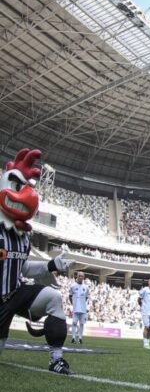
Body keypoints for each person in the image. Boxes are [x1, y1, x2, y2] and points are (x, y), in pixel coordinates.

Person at [0, 148, 76, 374]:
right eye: (17, 185)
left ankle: (56, 360)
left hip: (15, 292)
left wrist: (51, 265)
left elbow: (22, 267)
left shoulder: (22, 238)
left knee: (53, 298)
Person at [69, 272, 89, 344]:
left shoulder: (86, 287)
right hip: (75, 308)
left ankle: (80, 338)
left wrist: (82, 303)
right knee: (74, 323)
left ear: (84, 277)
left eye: (82, 276)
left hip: (83, 309)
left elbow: (86, 297)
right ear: (77, 277)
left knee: (82, 323)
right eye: (79, 276)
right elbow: (70, 296)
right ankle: (73, 338)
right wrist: (73, 304)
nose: (80, 277)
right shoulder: (72, 286)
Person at [138, 277, 150, 349]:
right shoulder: (145, 289)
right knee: (146, 327)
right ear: (148, 282)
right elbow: (139, 299)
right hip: (146, 311)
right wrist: (143, 307)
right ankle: (145, 344)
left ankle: (148, 344)